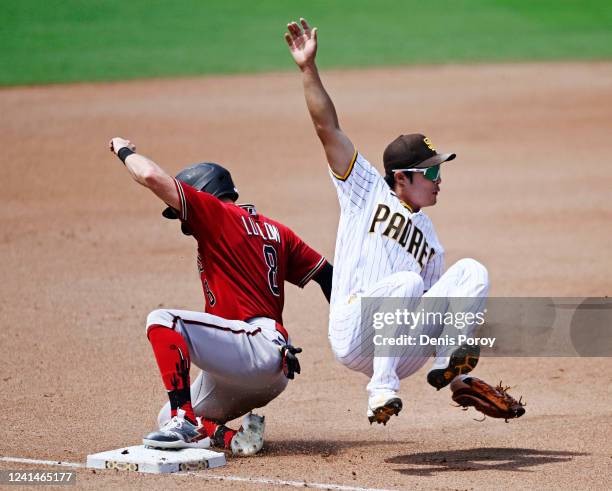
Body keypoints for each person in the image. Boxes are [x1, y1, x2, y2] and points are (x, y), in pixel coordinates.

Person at [284, 18, 524, 425]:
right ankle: (379, 391)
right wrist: (309, 69)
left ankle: (451, 368)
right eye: (429, 173)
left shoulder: (430, 238)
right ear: (401, 178)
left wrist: (460, 383)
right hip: (352, 331)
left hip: (398, 352)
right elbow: (328, 128)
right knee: (407, 283)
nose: (438, 180)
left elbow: (435, 315)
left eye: (438, 171)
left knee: (471, 271)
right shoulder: (364, 191)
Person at [108, 137, 332, 454]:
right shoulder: (277, 231)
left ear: (204, 193)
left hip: (255, 348)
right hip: (265, 366)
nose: (181, 219)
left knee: (164, 320)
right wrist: (345, 333)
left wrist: (122, 150)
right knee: (164, 415)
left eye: (179, 210)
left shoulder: (217, 215)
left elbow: (151, 177)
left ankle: (183, 418)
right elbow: (328, 276)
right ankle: (234, 439)